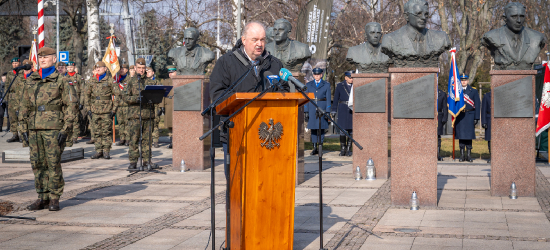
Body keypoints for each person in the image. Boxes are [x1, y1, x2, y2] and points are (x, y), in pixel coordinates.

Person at [210, 21, 290, 180]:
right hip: (236, 132)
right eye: (255, 40)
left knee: (265, 182)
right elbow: (217, 95)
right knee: (237, 183)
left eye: (263, 39)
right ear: (244, 40)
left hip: (267, 135)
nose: (260, 44)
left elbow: (285, 91)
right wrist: (243, 99)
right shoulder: (226, 63)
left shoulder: (274, 64)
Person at [19, 47, 78, 211]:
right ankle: (42, 196)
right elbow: (24, 105)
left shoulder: (61, 80)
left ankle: (54, 198)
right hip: (34, 127)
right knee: (37, 164)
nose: (43, 59)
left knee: (53, 164)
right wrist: (22, 127)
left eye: (47, 57)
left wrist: (65, 129)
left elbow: (71, 106)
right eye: (40, 57)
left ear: (54, 59)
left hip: (53, 128)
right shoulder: (32, 79)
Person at [125, 58, 157, 169]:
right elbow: (125, 97)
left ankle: (147, 161)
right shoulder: (130, 81)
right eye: (139, 68)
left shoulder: (151, 82)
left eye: (143, 68)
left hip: (148, 115)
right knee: (134, 140)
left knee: (147, 140)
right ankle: (133, 161)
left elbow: (156, 98)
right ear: (135, 68)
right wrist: (136, 99)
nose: (141, 70)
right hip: (134, 116)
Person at [84, 61, 117, 159]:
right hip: (94, 110)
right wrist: (88, 108)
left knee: (106, 131)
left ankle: (106, 151)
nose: (98, 69)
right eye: (97, 68)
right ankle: (98, 151)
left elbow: (118, 95)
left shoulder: (110, 81)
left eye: (100, 68)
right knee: (96, 132)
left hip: (106, 110)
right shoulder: (91, 80)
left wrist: (114, 110)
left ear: (105, 69)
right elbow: (86, 95)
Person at [305, 67, 331, 155]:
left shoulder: (326, 85)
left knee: (321, 129)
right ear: (313, 75)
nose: (317, 76)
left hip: (322, 107)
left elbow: (328, 98)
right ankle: (314, 147)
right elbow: (306, 99)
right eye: (315, 75)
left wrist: (327, 110)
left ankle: (320, 147)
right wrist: (306, 111)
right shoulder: (309, 85)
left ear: (321, 75)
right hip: (312, 108)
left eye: (318, 75)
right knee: (313, 129)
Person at [454, 74, 480, 162]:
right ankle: (462, 155)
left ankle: (468, 155)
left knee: (469, 136)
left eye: (465, 80)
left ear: (468, 81)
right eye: (462, 80)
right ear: (460, 81)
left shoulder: (473, 91)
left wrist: (476, 117)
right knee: (461, 136)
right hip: (460, 116)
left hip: (470, 115)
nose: (463, 81)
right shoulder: (456, 91)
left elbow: (477, 104)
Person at [331, 70, 353, 156]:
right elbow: (336, 99)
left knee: (352, 131)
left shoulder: (356, 85)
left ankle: (348, 149)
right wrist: (333, 111)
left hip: (352, 110)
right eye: (350, 78)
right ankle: (343, 149)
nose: (352, 79)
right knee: (342, 131)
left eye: (353, 78)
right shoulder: (340, 86)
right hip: (343, 109)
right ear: (346, 77)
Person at [65, 61, 85, 144]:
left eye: (71, 67)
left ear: (74, 68)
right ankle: (67, 136)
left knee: (75, 119)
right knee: (66, 119)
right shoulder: (64, 77)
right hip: (66, 101)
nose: (70, 68)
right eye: (68, 67)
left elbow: (83, 91)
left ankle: (74, 137)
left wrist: (81, 103)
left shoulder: (79, 78)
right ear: (67, 68)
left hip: (76, 102)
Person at [159, 65, 175, 148]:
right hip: (168, 104)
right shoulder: (165, 81)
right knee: (170, 125)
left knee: (177, 124)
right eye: (169, 73)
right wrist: (161, 106)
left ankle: (177, 140)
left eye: (172, 72)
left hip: (177, 104)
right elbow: (162, 94)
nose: (170, 74)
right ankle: (172, 140)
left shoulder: (180, 80)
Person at [115, 63, 131, 146]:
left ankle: (128, 139)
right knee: (121, 122)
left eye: (123, 69)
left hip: (126, 104)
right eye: (120, 69)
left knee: (127, 122)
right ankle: (122, 139)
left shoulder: (129, 79)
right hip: (119, 104)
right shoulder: (117, 79)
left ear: (127, 70)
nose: (121, 70)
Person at [6, 57, 21, 142]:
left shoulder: (22, 73)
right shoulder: (10, 73)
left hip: (20, 96)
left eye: (16, 63)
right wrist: (6, 98)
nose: (15, 65)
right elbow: (7, 86)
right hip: (12, 96)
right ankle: (15, 135)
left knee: (21, 117)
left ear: (19, 63)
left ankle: (23, 135)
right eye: (13, 63)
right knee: (12, 117)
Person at [437, 88, 448, 161]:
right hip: (428, 117)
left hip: (439, 116)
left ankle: (437, 154)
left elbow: (445, 107)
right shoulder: (426, 91)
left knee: (438, 136)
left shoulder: (442, 93)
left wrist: (444, 118)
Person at [481, 91, 491, 163]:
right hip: (489, 119)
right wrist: (484, 122)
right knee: (490, 139)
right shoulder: (487, 96)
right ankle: (492, 156)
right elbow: (483, 110)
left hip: (499, 120)